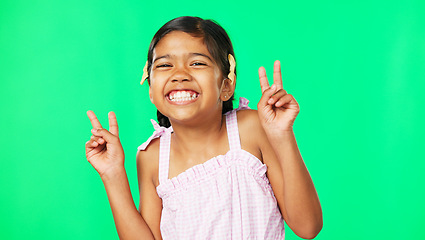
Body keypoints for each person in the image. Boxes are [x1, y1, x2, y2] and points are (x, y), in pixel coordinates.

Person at [85, 16, 322, 240]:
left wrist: (282, 136)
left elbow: (307, 226)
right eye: (165, 64)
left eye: (197, 63)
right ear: (150, 89)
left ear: (226, 86)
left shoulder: (251, 128)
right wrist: (112, 174)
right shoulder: (151, 156)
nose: (179, 75)